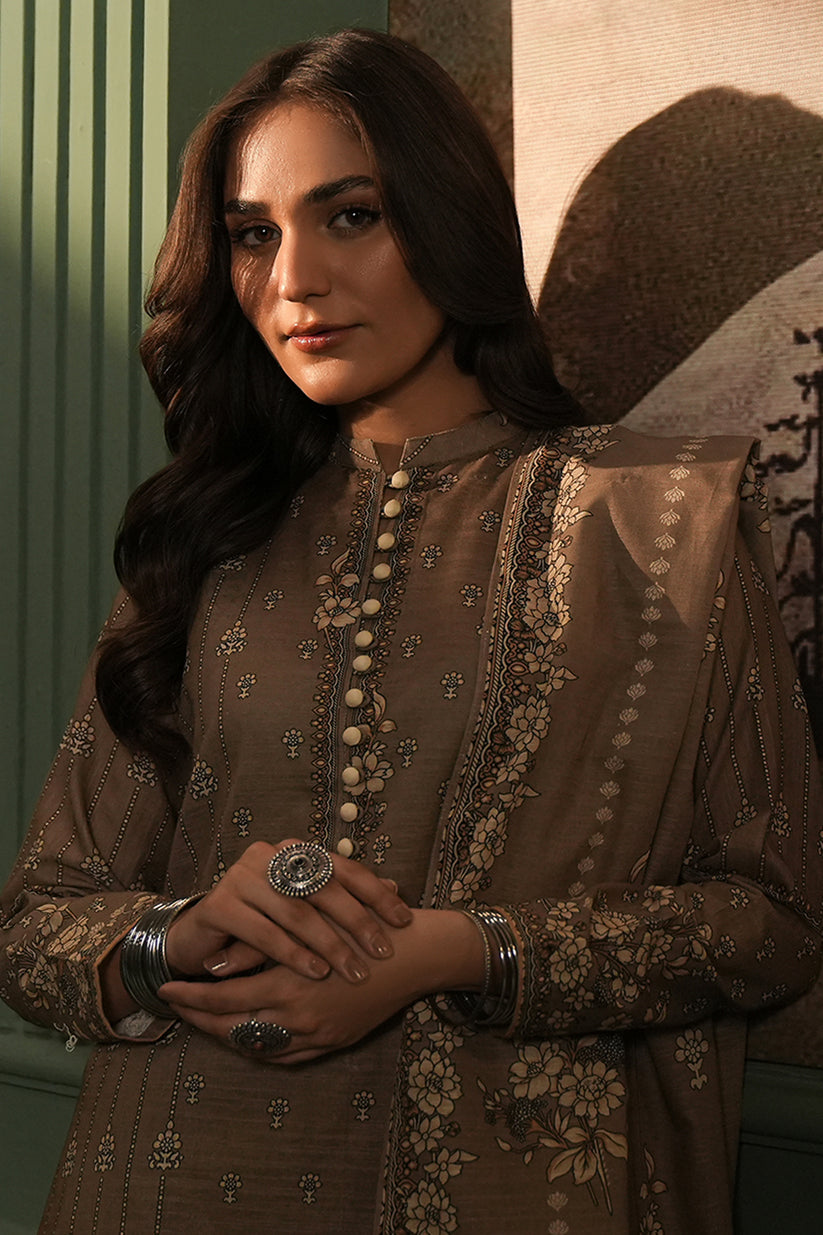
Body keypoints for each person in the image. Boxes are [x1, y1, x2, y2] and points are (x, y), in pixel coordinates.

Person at [0, 28, 820, 1235]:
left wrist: (452, 950)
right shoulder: (206, 542)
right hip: (165, 1179)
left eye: (350, 216)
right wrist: (177, 931)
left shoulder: (661, 519)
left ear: (447, 221)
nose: (292, 282)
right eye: (251, 233)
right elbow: (36, 925)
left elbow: (773, 918)